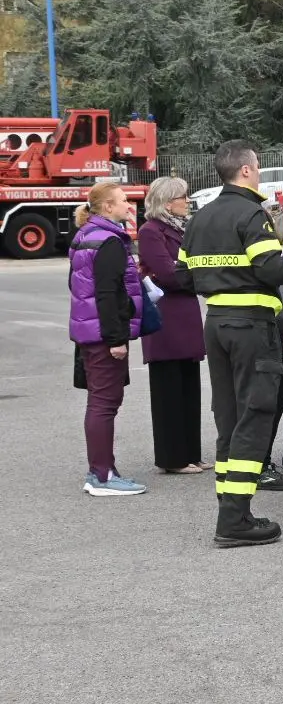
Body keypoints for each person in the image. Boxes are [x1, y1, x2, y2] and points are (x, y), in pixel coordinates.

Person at [180, 140, 283, 547]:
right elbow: (270, 268)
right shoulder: (253, 213)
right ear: (248, 170)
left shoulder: (201, 217)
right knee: (256, 415)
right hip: (251, 325)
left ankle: (231, 505)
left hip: (216, 322)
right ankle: (234, 520)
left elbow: (183, 275)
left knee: (229, 417)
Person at [70, 183, 146, 496]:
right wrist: (116, 338)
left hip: (89, 332)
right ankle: (101, 475)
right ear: (106, 207)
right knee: (104, 403)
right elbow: (107, 293)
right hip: (104, 335)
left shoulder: (84, 236)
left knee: (100, 402)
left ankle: (102, 470)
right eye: (124, 201)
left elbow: (78, 287)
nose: (129, 206)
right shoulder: (110, 242)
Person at [136, 176, 207, 475]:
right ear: (167, 202)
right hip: (166, 318)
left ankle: (191, 453)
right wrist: (200, 275)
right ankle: (172, 458)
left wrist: (194, 272)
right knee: (168, 391)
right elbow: (168, 274)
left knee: (189, 388)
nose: (187, 201)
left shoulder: (179, 229)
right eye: (183, 196)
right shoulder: (151, 231)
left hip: (184, 313)